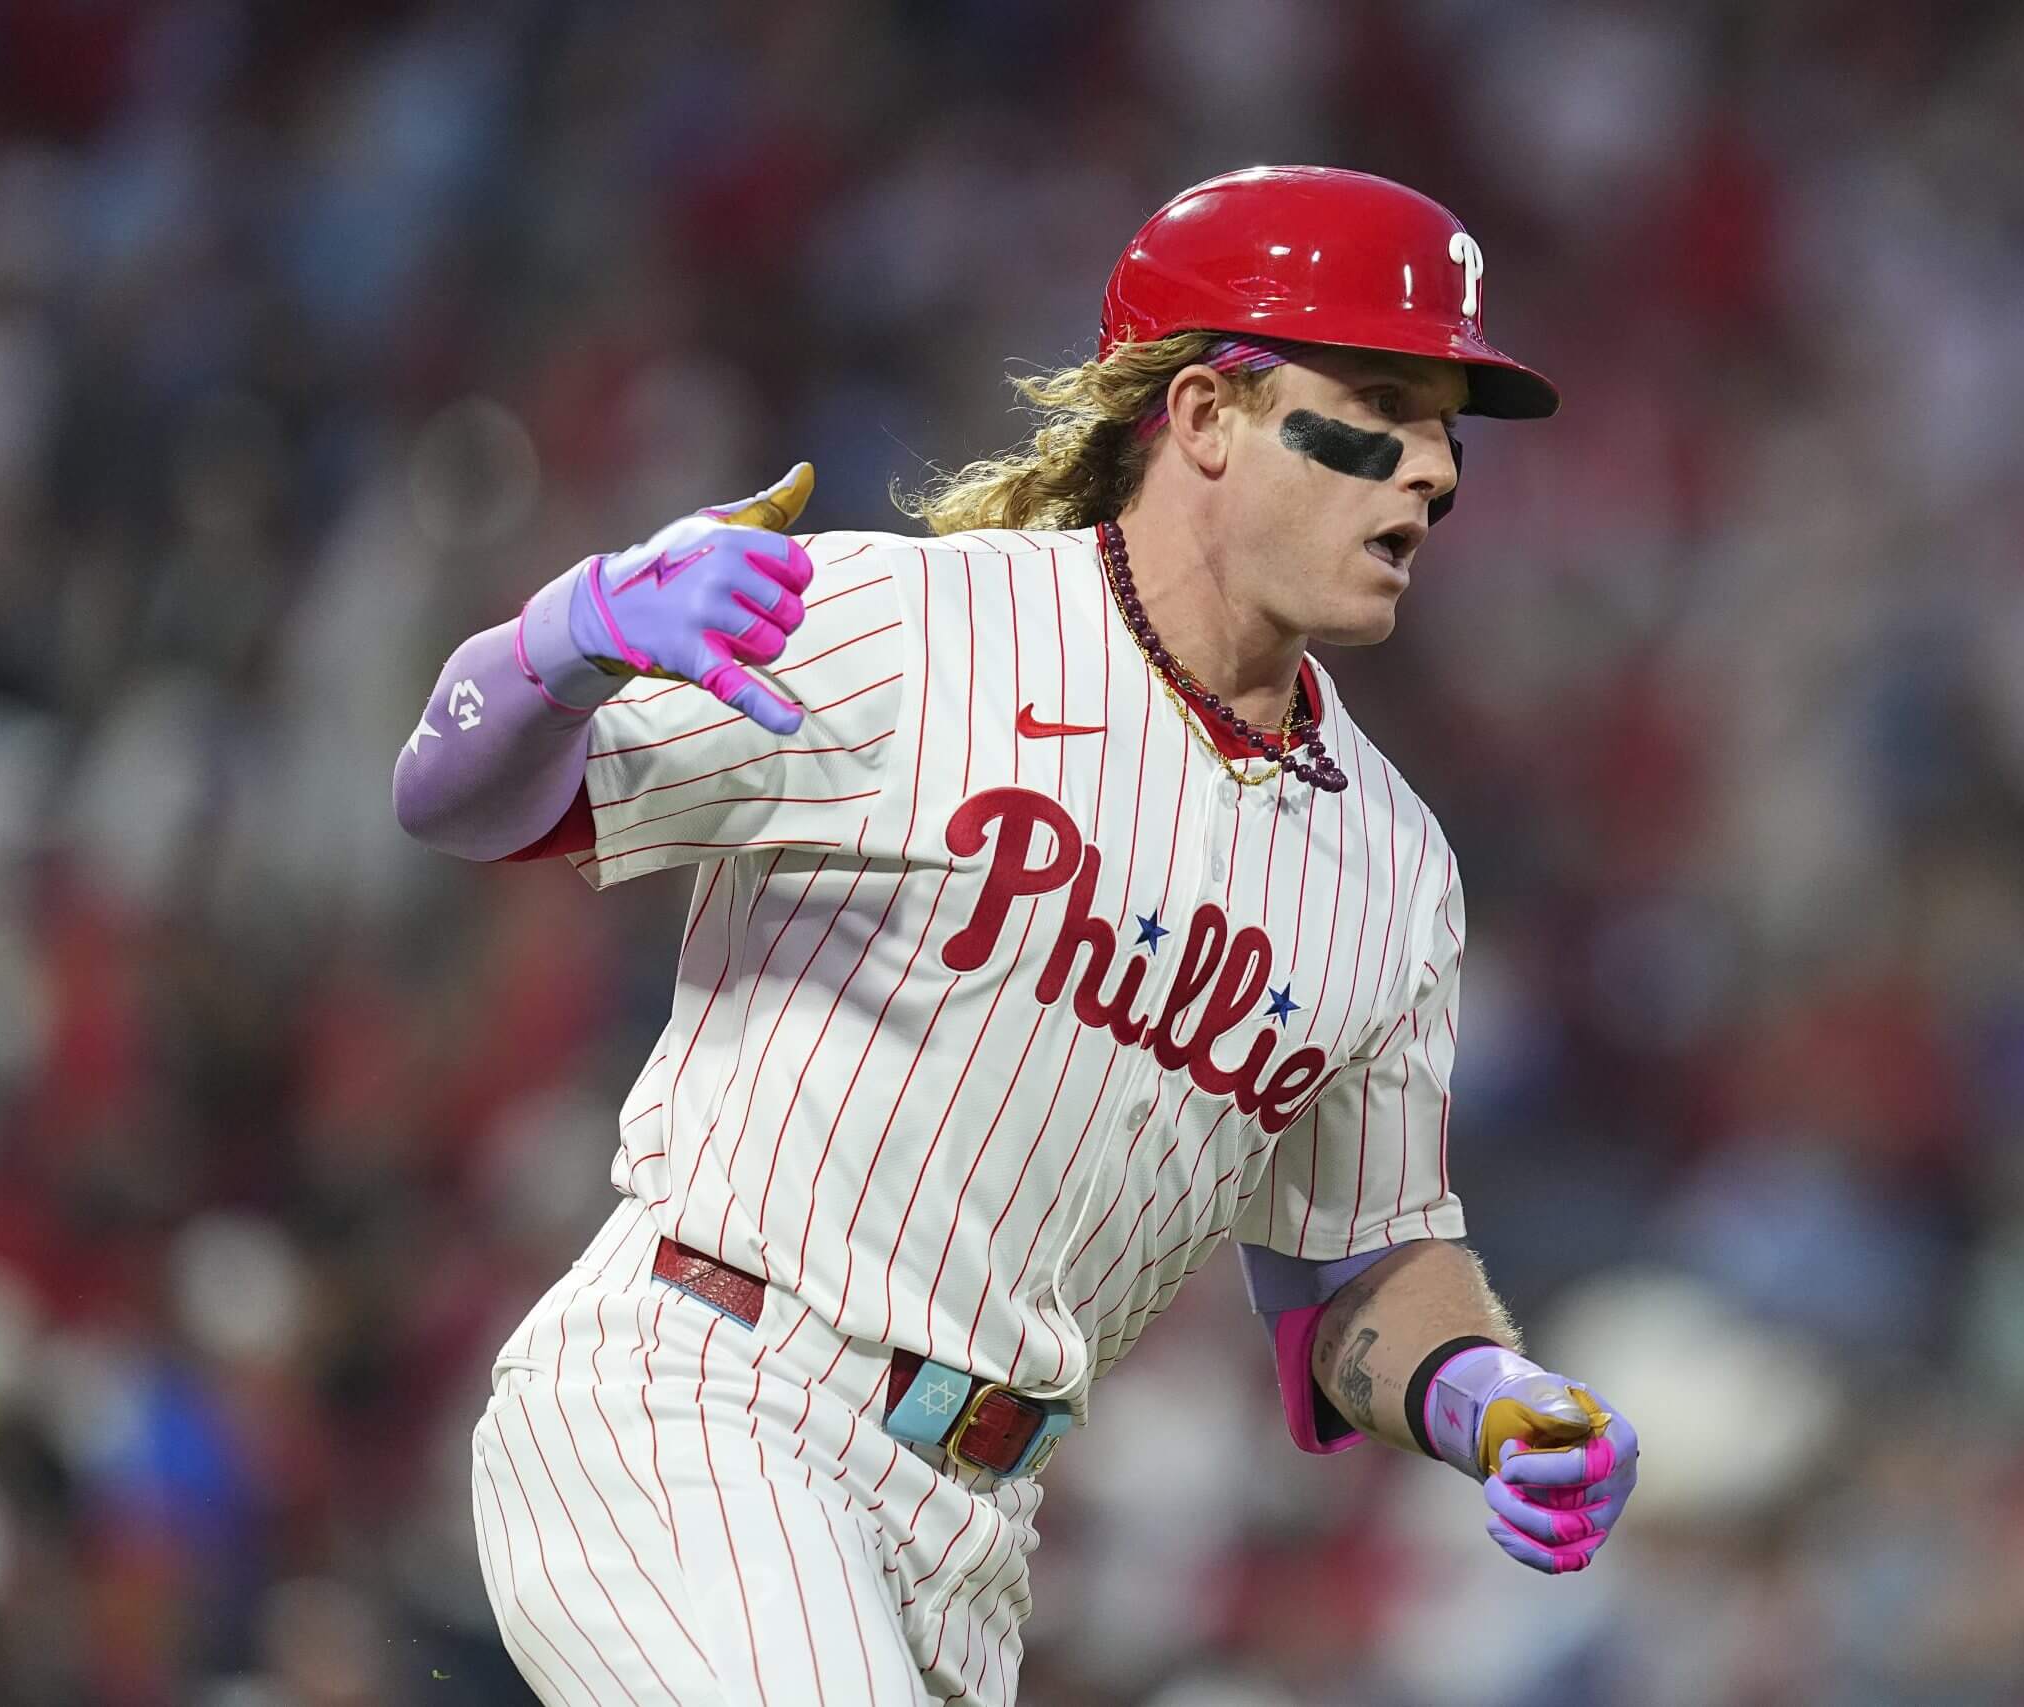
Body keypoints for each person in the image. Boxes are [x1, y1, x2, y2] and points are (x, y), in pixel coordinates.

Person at [394, 164, 1640, 1707]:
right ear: (1205, 416)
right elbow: (460, 802)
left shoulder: (1393, 868)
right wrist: (560, 642)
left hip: (975, 1532)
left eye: (1448, 428)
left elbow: (1353, 1273)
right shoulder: (909, 627)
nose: (1435, 470)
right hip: (705, 1403)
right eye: (1382, 406)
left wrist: (1489, 1397)